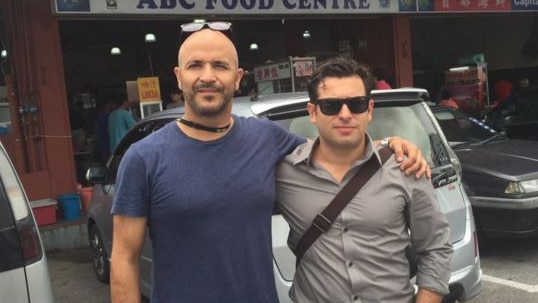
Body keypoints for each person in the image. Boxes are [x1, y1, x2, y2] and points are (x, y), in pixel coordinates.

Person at [109, 22, 430, 303]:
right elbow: (124, 258)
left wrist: (388, 145)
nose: (208, 76)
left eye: (220, 66)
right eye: (196, 65)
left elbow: (334, 152)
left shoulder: (264, 137)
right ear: (179, 77)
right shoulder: (144, 158)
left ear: (237, 78)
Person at [276, 58, 452, 303]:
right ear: (313, 112)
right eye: (331, 106)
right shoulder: (285, 173)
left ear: (369, 110)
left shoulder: (405, 167)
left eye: (356, 104)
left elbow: (435, 248)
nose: (345, 114)